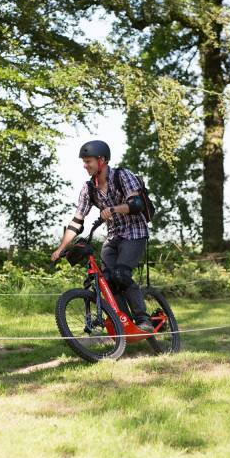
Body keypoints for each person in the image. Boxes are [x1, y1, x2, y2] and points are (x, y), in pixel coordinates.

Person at [51, 140, 153, 331]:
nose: (85, 165)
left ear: (102, 160)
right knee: (107, 280)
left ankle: (143, 319)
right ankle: (123, 322)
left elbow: (136, 204)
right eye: (84, 161)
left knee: (121, 275)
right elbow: (77, 221)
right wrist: (60, 248)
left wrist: (114, 209)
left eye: (88, 161)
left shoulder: (122, 176)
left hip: (134, 233)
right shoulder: (89, 188)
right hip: (113, 235)